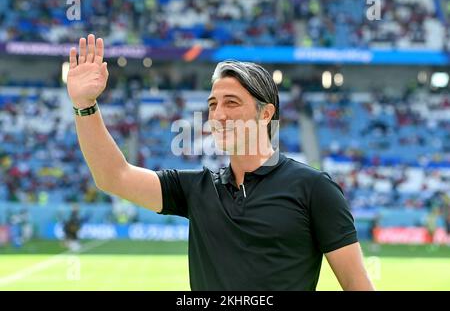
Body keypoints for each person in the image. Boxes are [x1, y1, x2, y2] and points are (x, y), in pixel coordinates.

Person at [67, 34, 374, 290]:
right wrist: (85, 105)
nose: (218, 115)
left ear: (265, 114)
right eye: (213, 104)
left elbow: (358, 286)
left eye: (232, 103)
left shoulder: (314, 188)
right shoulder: (195, 189)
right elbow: (113, 176)